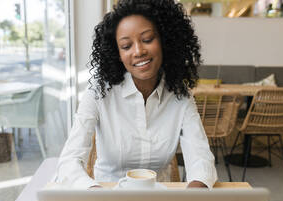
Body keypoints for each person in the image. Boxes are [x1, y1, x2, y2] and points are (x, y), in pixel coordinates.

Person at [56, 0, 217, 189]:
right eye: (126, 46)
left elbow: (201, 159)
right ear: (117, 53)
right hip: (108, 200)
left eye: (147, 39)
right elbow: (69, 161)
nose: (139, 51)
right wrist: (96, 193)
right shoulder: (99, 94)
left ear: (165, 40)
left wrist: (193, 194)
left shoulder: (180, 96)